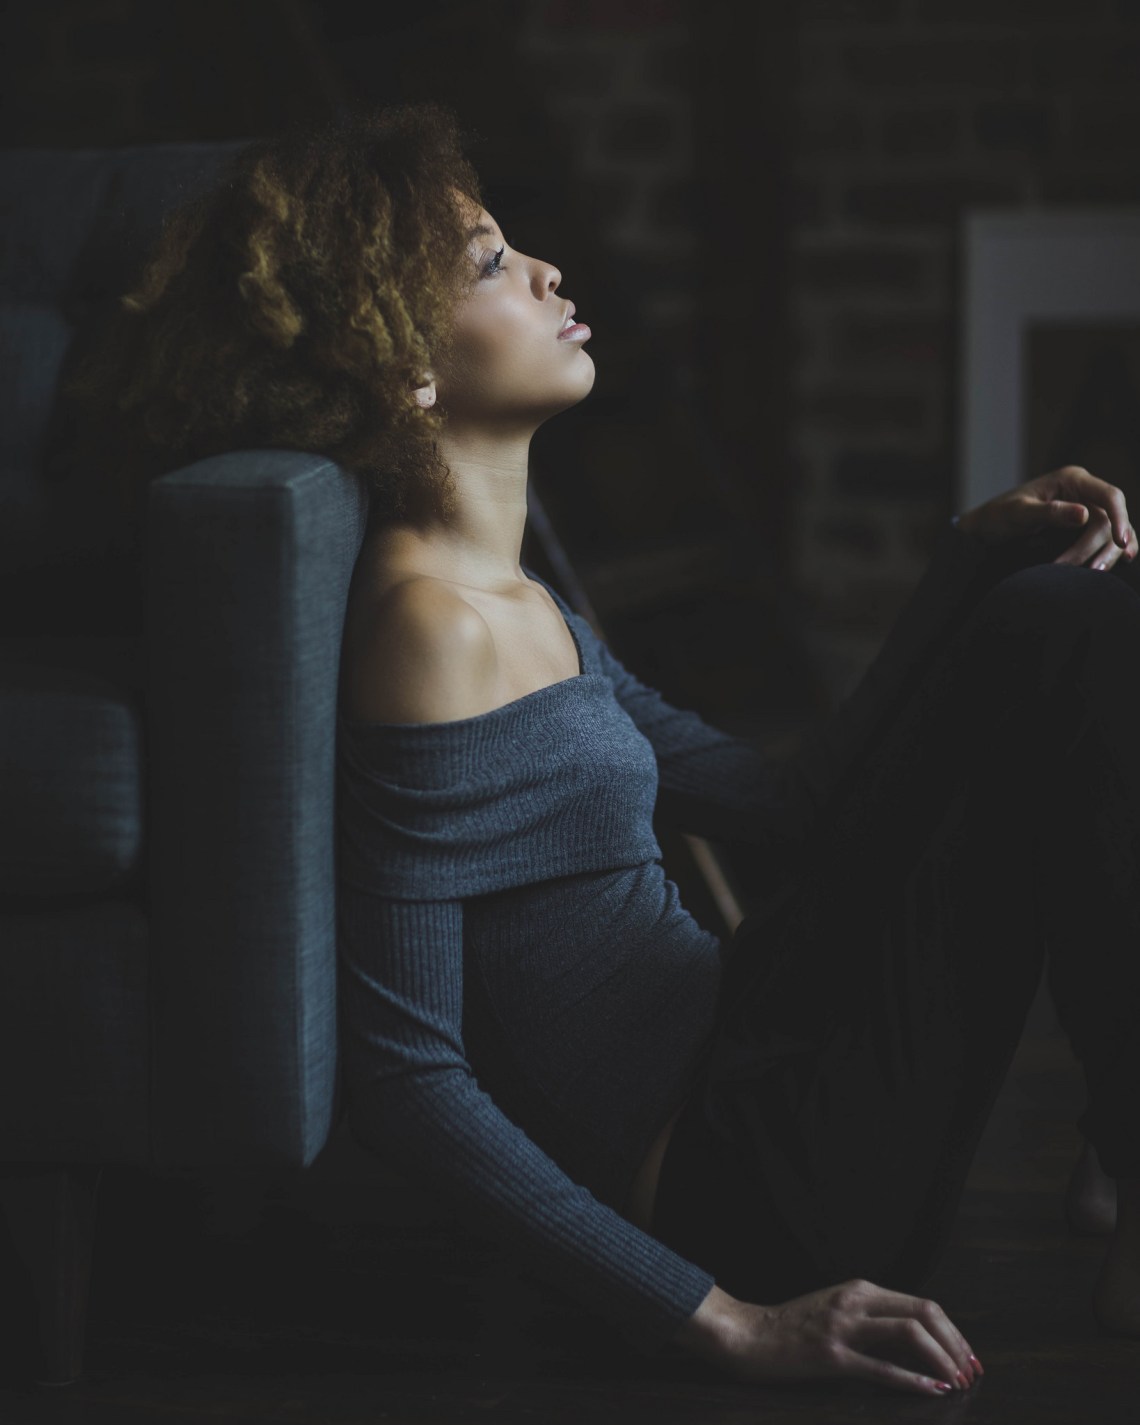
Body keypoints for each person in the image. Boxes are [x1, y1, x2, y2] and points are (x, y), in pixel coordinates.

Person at [61, 100, 1140, 1399]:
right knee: (1059, 629)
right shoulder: (424, 633)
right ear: (401, 363)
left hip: (764, 1034)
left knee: (1042, 612)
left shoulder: (523, 601)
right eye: (485, 265)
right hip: (744, 1182)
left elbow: (787, 802)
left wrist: (963, 555)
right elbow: (409, 1079)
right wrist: (722, 1318)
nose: (545, 272)